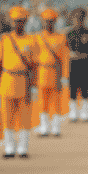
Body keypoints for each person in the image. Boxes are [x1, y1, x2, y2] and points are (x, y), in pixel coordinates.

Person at [0, 5, 40, 158]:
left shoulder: (31, 40)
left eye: (21, 21)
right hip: (7, 79)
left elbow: (34, 65)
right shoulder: (4, 39)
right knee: (6, 117)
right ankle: (9, 147)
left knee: (25, 116)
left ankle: (23, 148)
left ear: (25, 22)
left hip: (24, 81)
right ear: (12, 22)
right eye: (16, 21)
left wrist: (34, 84)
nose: (18, 24)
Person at [35, 8, 69, 137]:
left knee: (56, 102)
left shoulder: (61, 37)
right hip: (42, 71)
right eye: (46, 21)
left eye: (51, 21)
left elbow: (64, 57)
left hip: (56, 72)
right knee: (42, 102)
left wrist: (64, 76)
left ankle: (56, 128)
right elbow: (33, 57)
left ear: (54, 22)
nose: (48, 23)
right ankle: (44, 127)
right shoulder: (38, 37)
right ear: (43, 22)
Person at [67, 7, 88, 122]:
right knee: (72, 89)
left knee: (85, 88)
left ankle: (85, 112)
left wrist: (87, 59)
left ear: (83, 19)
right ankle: (73, 112)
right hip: (72, 65)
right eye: (76, 18)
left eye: (80, 18)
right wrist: (70, 55)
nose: (78, 20)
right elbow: (65, 50)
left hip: (84, 64)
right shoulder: (69, 33)